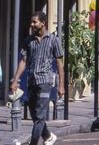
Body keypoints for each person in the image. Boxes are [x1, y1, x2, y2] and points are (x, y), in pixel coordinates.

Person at [10, 12, 65, 145]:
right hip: (31, 81)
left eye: (34, 22)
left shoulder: (53, 40)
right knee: (35, 114)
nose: (32, 25)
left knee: (40, 116)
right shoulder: (29, 40)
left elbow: (59, 63)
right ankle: (48, 136)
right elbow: (23, 61)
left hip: (45, 81)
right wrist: (16, 79)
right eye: (32, 22)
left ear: (43, 23)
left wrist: (61, 85)